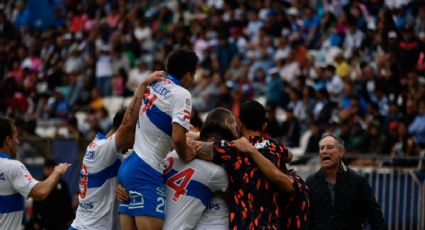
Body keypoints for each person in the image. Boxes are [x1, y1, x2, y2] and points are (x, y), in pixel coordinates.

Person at [70, 71, 165, 230]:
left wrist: (121, 188)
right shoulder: (103, 149)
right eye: (136, 136)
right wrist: (142, 86)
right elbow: (128, 123)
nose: (135, 143)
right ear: (128, 132)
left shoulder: (100, 148)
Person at [118, 48, 199, 230]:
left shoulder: (153, 84)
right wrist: (186, 155)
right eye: (193, 75)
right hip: (146, 171)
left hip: (130, 165)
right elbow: (178, 137)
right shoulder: (182, 94)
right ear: (187, 75)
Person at [194, 100, 293, 229]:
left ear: (240, 123)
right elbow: (290, 156)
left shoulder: (231, 149)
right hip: (270, 225)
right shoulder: (275, 146)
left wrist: (196, 134)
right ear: (264, 126)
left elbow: (194, 147)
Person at [0, 117, 70, 229]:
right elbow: (41, 192)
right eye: (15, 137)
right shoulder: (12, 167)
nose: (17, 141)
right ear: (8, 140)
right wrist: (57, 172)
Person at [162, 122, 234, 230]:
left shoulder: (173, 154)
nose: (226, 154)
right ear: (211, 142)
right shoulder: (215, 173)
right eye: (224, 149)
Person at [306, 133, 386, 230]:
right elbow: (306, 217)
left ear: (341, 152)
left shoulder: (358, 180)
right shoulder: (310, 182)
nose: (324, 151)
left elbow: (375, 215)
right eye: (322, 148)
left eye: (329, 147)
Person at [30, 159, 74, 230]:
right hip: (44, 220)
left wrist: (70, 217)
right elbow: (35, 203)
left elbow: (67, 201)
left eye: (51, 168)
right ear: (44, 169)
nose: (49, 171)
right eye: (47, 168)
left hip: (60, 220)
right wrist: (35, 220)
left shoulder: (62, 184)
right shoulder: (40, 184)